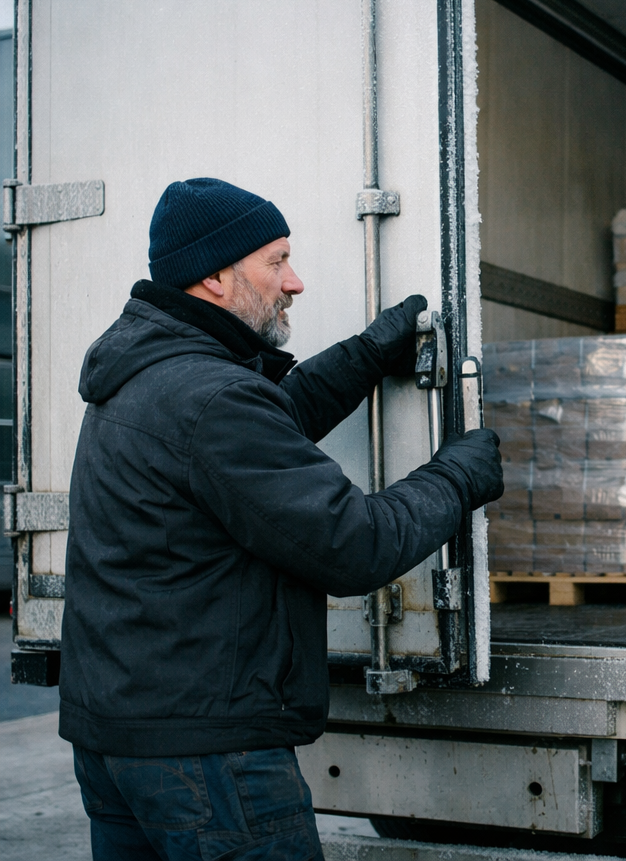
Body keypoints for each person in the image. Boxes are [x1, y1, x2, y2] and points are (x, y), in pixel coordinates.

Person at [58, 178, 503, 861]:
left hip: (121, 739)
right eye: (276, 261)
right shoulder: (210, 396)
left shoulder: (147, 374)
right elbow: (354, 544)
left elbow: (261, 435)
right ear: (214, 275)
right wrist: (456, 476)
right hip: (210, 758)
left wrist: (366, 354)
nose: (293, 282)